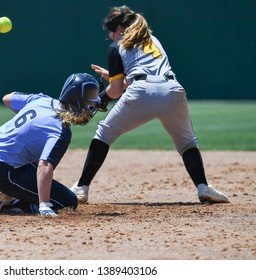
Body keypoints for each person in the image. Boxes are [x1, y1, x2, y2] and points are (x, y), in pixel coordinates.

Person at [71, 5, 229, 204]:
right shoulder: (154, 40)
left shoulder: (116, 46)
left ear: (120, 28)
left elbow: (116, 91)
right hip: (172, 90)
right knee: (187, 143)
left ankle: (81, 188)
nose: (110, 35)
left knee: (103, 134)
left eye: (111, 31)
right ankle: (203, 187)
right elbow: (151, 79)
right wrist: (114, 77)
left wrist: (98, 101)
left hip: (141, 92)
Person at [0, 73, 101, 217]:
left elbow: (7, 98)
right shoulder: (60, 131)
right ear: (80, 103)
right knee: (68, 202)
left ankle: (8, 193)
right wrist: (44, 204)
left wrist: (31, 125)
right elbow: (44, 166)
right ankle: (15, 203)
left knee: (34, 148)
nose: (92, 108)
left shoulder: (42, 100)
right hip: (2, 172)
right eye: (91, 104)